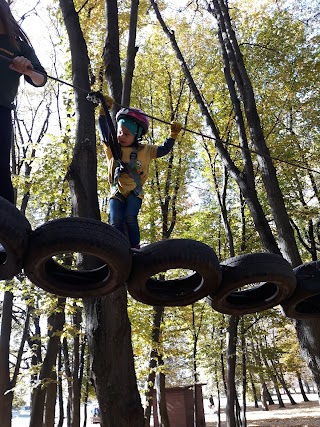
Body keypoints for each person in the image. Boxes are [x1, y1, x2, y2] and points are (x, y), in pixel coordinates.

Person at [98, 95, 182, 248]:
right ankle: (118, 247)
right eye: (120, 132)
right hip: (116, 190)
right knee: (115, 219)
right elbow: (104, 133)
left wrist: (172, 136)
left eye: (127, 134)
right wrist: (103, 113)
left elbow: (164, 150)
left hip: (135, 191)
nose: (121, 136)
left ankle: (135, 246)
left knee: (130, 217)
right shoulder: (113, 148)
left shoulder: (146, 150)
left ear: (136, 135)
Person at [0, 0, 47, 205]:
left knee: (0, 171)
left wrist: (27, 69)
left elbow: (41, 79)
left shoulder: (18, 47)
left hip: (1, 111)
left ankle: (6, 233)